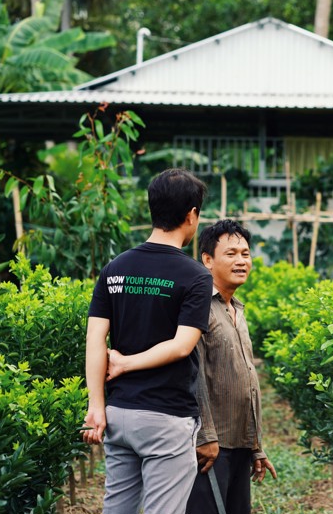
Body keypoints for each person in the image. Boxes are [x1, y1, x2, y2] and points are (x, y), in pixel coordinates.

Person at [82, 168, 212, 513]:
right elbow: (182, 345)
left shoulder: (115, 268)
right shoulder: (196, 277)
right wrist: (127, 362)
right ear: (191, 215)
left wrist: (96, 406)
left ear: (152, 210)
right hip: (165, 419)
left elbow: (95, 339)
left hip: (119, 413)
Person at [185, 219, 277, 513]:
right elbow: (193, 375)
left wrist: (256, 446)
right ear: (208, 260)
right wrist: (205, 436)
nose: (241, 261)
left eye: (245, 254)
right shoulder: (198, 307)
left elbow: (247, 380)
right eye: (232, 254)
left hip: (240, 444)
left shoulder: (237, 308)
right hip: (212, 447)